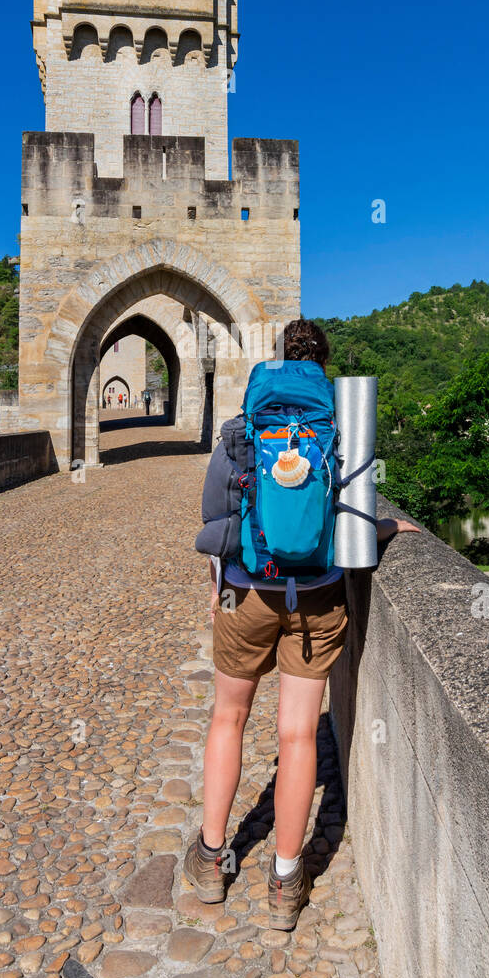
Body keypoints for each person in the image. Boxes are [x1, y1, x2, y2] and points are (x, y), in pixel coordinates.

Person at [183, 318, 419, 930]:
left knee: (228, 719)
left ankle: (212, 861)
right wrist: (392, 529)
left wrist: (220, 588)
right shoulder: (341, 429)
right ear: (324, 364)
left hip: (244, 595)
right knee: (296, 737)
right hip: (315, 597)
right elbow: (357, 522)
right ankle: (287, 881)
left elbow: (217, 517)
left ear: (277, 359)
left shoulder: (242, 429)